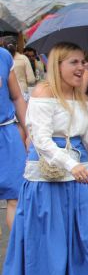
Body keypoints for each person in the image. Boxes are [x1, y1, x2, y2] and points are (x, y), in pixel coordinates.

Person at [0, 42, 88, 275]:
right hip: (50, 179)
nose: (81, 68)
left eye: (82, 62)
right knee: (54, 247)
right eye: (73, 63)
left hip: (81, 175)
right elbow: (40, 140)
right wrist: (71, 164)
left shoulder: (79, 97)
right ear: (58, 65)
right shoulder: (43, 94)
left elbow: (86, 141)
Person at [0, 46, 27, 233]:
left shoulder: (3, 55)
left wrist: (29, 132)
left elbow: (17, 97)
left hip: (7, 132)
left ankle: (17, 254)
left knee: (17, 196)